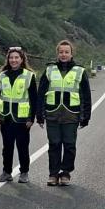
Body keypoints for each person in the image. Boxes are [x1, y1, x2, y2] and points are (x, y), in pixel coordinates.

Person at [37, 40, 91, 186]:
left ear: (71, 54)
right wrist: (39, 115)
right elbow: (41, 93)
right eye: (61, 52)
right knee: (54, 144)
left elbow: (86, 96)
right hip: (52, 114)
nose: (63, 54)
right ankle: (53, 174)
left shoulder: (80, 71)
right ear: (57, 53)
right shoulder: (49, 70)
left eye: (67, 52)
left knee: (69, 145)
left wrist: (86, 117)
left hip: (71, 115)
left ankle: (66, 173)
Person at [0, 47, 38, 183]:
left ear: (22, 59)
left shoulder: (29, 75)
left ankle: (24, 172)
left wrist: (31, 118)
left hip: (22, 119)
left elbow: (33, 99)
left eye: (16, 57)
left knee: (22, 147)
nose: (13, 60)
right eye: (11, 58)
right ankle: (6, 172)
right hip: (6, 117)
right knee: (7, 147)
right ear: (8, 59)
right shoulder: (3, 75)